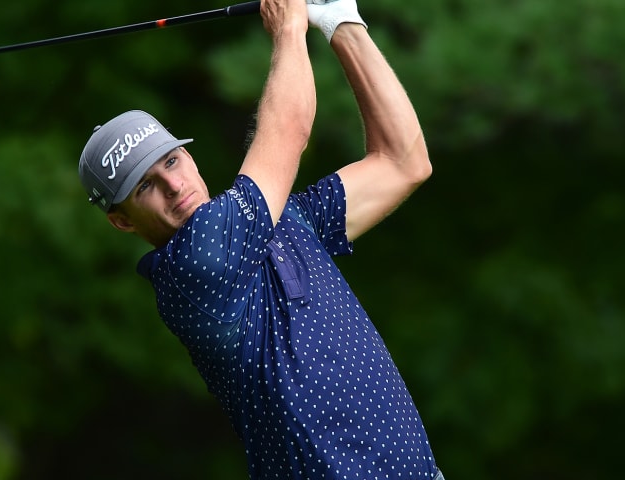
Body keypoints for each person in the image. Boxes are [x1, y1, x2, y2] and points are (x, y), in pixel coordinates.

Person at [78, 0, 443, 478]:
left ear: (187, 157)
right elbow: (289, 130)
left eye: (170, 161)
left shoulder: (276, 222)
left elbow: (404, 162)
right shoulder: (193, 268)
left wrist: (340, 21)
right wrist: (288, 25)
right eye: (144, 186)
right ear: (123, 221)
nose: (173, 186)